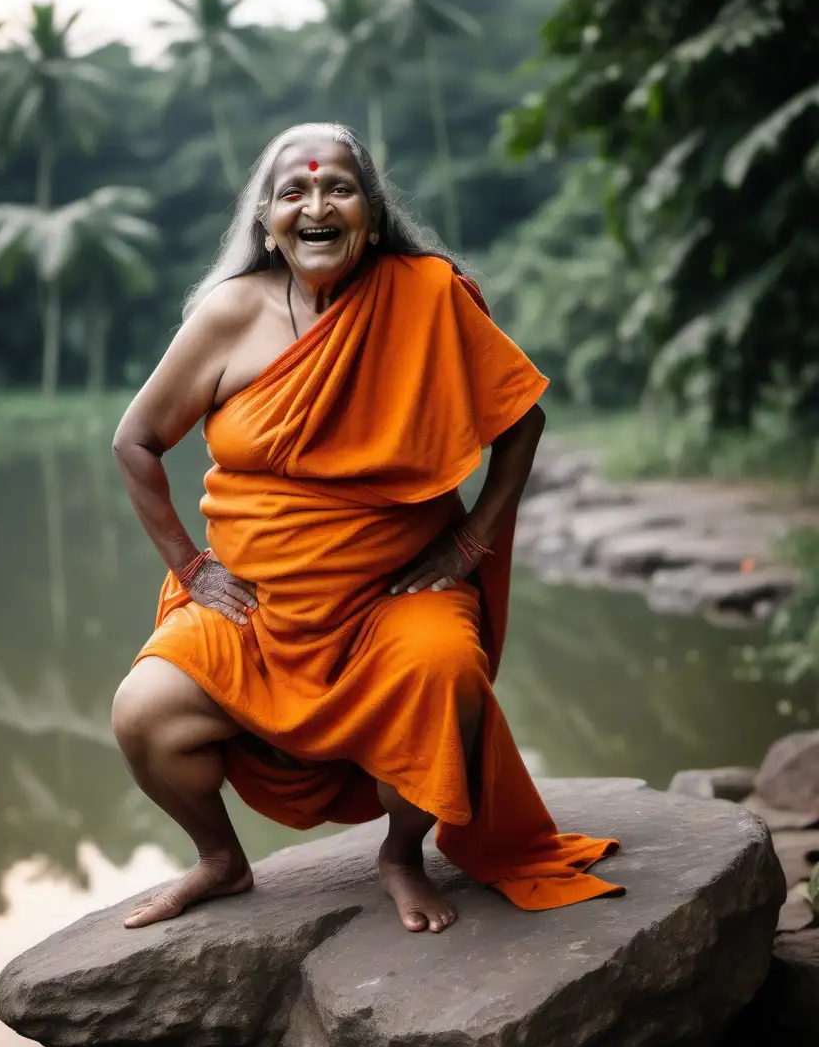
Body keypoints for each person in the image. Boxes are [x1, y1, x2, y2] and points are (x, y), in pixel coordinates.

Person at [111, 122, 623, 935]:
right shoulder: (227, 315)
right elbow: (135, 443)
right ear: (268, 224)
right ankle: (219, 860)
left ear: (373, 215)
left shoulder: (426, 296)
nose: (317, 202)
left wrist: (471, 542)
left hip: (395, 599)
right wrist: (188, 562)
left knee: (445, 674)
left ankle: (402, 854)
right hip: (255, 608)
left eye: (338, 187)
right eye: (294, 191)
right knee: (144, 712)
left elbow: (521, 422)